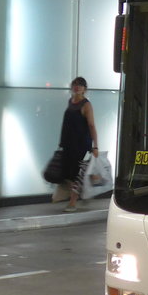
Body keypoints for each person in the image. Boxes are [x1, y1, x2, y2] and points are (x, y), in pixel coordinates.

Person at [59, 76, 99, 211]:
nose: (77, 87)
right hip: (68, 143)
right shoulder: (70, 101)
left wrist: (95, 146)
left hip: (80, 144)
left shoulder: (86, 105)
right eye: (75, 84)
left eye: (80, 85)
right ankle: (84, 192)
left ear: (85, 89)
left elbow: (92, 125)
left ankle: (72, 202)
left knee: (75, 173)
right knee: (67, 173)